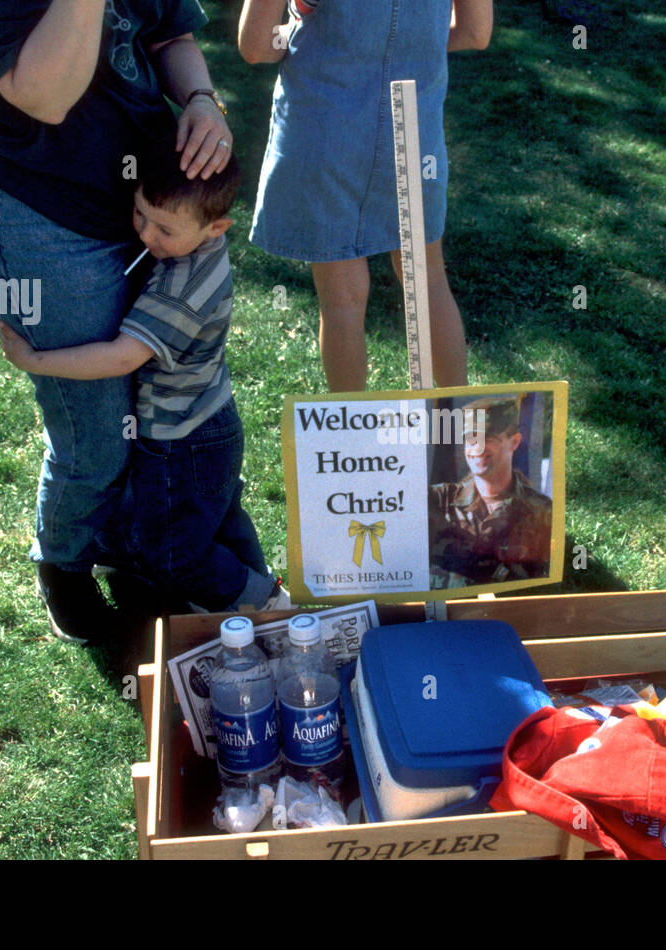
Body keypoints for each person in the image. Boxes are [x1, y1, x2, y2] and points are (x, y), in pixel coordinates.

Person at [0, 0, 236, 642]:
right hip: (41, 211)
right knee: (95, 431)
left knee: (142, 411)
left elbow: (168, 30)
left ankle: (125, 547)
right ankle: (63, 563)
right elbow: (45, 96)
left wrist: (203, 99)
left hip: (141, 202)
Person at [0, 141, 291, 616]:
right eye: (141, 214)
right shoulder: (199, 243)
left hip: (181, 439)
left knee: (173, 554)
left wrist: (36, 360)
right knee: (219, 521)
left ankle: (264, 605)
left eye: (165, 229)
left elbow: (120, 358)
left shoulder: (184, 286)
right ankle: (260, 601)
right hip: (209, 422)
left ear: (217, 227)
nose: (147, 235)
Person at [236, 0, 493, 392]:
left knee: (342, 301)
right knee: (427, 283)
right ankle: (453, 437)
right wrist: (404, 48)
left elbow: (256, 46)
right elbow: (476, 33)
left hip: (325, 124)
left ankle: (352, 444)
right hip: (413, 123)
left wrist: (299, 26)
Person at [428, 396, 552, 588]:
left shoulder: (540, 510)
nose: (477, 448)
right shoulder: (438, 500)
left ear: (515, 442)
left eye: (488, 438)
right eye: (471, 438)